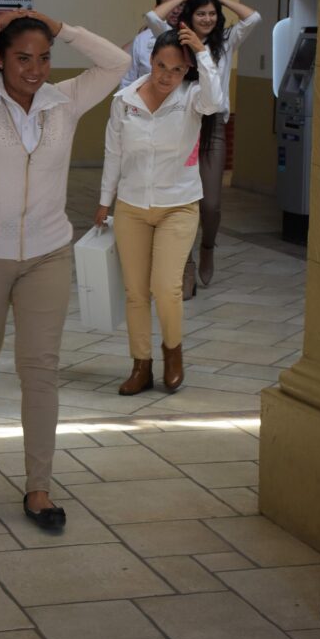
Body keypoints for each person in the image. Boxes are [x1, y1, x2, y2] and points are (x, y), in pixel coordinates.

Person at [0, 9, 129, 528]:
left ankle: (39, 487)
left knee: (40, 367)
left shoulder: (66, 101)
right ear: (0, 58)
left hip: (47, 252)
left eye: (44, 58)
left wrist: (63, 28)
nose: (35, 70)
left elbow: (117, 62)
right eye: (23, 59)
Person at [95, 26, 223, 396]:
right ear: (150, 61)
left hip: (178, 206)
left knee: (166, 288)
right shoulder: (124, 100)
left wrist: (202, 54)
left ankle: (173, 354)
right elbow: (113, 152)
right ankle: (141, 365)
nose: (167, 76)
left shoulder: (193, 98)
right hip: (132, 206)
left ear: (188, 71)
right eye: (161, 66)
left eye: (177, 70)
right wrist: (104, 201)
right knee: (135, 292)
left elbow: (215, 100)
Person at [147, 0, 261, 293]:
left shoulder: (226, 40)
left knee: (210, 204)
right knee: (180, 201)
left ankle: (207, 246)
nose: (207, 19)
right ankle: (186, 265)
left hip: (213, 128)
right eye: (201, 13)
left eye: (212, 13)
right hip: (180, 124)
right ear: (189, 15)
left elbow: (253, 18)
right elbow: (153, 17)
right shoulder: (176, 39)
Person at [120, 0, 184, 86]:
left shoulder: (193, 36)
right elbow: (127, 82)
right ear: (158, 8)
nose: (176, 10)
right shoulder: (142, 39)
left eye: (180, 5)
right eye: (169, 5)